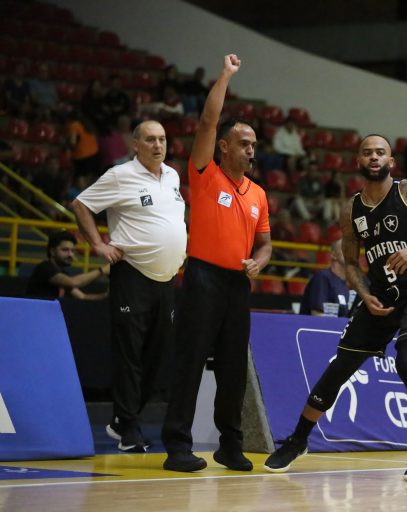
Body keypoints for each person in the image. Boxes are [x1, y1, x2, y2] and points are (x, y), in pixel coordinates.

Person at [263, 134, 407, 481]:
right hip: (380, 295)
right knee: (340, 366)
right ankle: (297, 440)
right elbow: (351, 262)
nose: (374, 157)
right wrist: (364, 293)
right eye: (367, 153)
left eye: (380, 152)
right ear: (358, 161)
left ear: (391, 162)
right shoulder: (351, 210)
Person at [161, 54, 272, 473]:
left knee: (233, 369)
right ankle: (177, 446)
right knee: (190, 363)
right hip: (203, 278)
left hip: (237, 285)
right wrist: (225, 75)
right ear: (224, 147)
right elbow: (208, 122)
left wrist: (259, 261)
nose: (251, 150)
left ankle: (230, 446)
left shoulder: (259, 194)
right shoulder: (205, 173)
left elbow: (266, 244)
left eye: (254, 145)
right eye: (244, 143)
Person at [71, 120, 187, 453]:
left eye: (162, 139)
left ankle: (125, 420)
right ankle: (129, 425)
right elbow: (81, 204)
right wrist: (98, 245)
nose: (158, 145)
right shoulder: (120, 175)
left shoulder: (173, 176)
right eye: (150, 139)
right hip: (132, 275)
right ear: (135, 144)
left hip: (167, 280)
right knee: (130, 353)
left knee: (157, 356)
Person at [26, 230, 110, 300]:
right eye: (65, 250)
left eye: (72, 251)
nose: (70, 255)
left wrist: (106, 295)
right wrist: (102, 271)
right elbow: (73, 282)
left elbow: (82, 296)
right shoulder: (45, 268)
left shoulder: (62, 273)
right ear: (52, 251)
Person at [299, 239, 351, 316]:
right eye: (345, 248)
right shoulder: (322, 278)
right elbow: (317, 315)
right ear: (333, 255)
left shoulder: (344, 284)